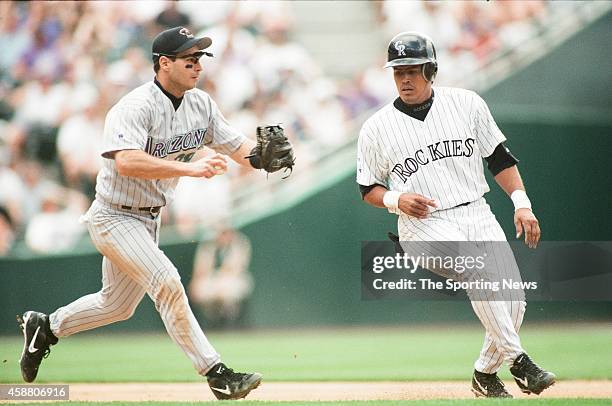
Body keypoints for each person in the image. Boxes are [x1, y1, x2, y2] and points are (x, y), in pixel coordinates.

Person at [18, 26, 293, 400]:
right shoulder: (134, 106)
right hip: (113, 215)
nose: (198, 66)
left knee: (115, 305)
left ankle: (46, 327)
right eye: (189, 60)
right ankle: (217, 374)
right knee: (167, 281)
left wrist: (262, 158)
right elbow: (128, 162)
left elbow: (236, 146)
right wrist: (190, 168)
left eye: (200, 59)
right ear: (164, 63)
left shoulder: (202, 104)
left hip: (149, 218)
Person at [357, 32, 555, 398]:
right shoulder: (376, 127)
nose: (404, 78)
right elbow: (368, 188)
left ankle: (484, 374)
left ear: (431, 69)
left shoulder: (466, 104)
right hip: (422, 226)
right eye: (398, 70)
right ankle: (520, 362)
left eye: (413, 70)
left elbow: (498, 158)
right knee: (477, 266)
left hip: (476, 212)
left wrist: (522, 204)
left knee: (514, 300)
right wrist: (397, 199)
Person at [188, 226, 253, 327]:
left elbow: (234, 270)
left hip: (232, 279)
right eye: (221, 233)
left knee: (228, 288)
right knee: (200, 289)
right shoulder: (208, 246)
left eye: (226, 233)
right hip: (212, 281)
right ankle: (211, 322)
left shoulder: (239, 244)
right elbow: (200, 270)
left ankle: (229, 322)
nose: (223, 236)